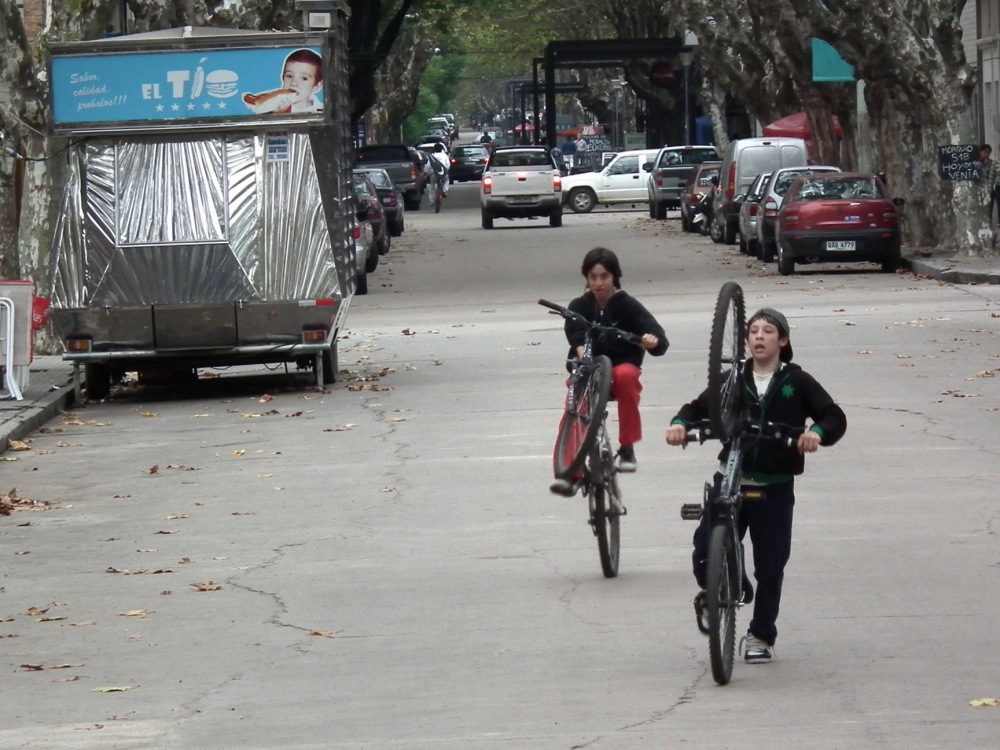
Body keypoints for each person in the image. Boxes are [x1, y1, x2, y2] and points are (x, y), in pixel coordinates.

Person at [666, 308, 846, 664]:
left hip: (774, 486)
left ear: (783, 341)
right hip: (731, 475)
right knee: (704, 548)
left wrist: (815, 434)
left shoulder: (798, 381)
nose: (759, 336)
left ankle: (761, 635)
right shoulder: (733, 378)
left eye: (768, 331)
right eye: (753, 331)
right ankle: (718, 589)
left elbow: (833, 415)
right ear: (746, 340)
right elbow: (695, 408)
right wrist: (678, 425)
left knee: (771, 565)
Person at [550, 248, 668, 497]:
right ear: (586, 278)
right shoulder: (580, 305)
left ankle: (627, 448)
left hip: (620, 368)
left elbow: (656, 335)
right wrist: (584, 356)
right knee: (574, 404)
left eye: (604, 276)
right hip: (589, 369)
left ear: (614, 277)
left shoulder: (628, 305)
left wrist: (651, 341)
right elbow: (575, 334)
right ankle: (569, 473)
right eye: (593, 277)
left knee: (626, 376)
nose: (598, 283)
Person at [243, 48, 324, 115]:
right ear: (282, 78)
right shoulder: (270, 104)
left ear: (317, 86)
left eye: (304, 78)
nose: (294, 83)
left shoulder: (321, 111)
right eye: (289, 76)